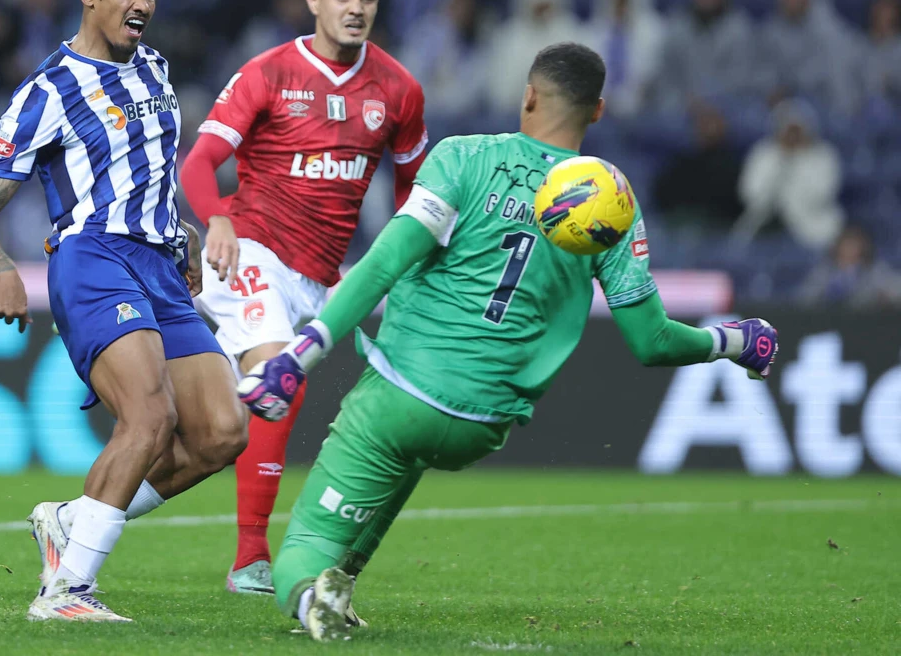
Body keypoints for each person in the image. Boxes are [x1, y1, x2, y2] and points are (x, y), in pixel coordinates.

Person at [236, 43, 779, 641]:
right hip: (483, 421)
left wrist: (301, 351)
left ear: (527, 95)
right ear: (597, 111)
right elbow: (651, 342)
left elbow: (386, 261)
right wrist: (731, 340)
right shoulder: (612, 204)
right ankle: (347, 579)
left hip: (400, 395)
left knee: (307, 542)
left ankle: (315, 589)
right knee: (407, 459)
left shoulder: (464, 158)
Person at [0, 0, 247, 623]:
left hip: (159, 268)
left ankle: (70, 521)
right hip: (93, 262)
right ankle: (65, 592)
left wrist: (180, 236)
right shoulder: (49, 89)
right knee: (148, 418)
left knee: (219, 431)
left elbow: (147, 175)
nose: (141, 4)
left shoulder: (156, 70)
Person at [178, 0, 429, 595]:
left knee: (222, 429)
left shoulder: (399, 92)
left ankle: (87, 518)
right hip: (251, 245)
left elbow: (411, 196)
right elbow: (198, 165)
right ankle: (250, 560)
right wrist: (219, 221)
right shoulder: (268, 72)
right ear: (314, 0)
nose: (355, 9)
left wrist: (396, 268)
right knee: (276, 377)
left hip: (318, 277)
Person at [733, 98, 843, 250]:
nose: (792, 136)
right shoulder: (764, 153)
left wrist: (797, 161)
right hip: (764, 226)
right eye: (787, 130)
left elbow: (822, 194)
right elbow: (749, 193)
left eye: (796, 130)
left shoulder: (823, 155)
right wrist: (781, 161)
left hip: (812, 225)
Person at [798, 224, 901, 308]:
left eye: (854, 244)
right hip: (829, 319)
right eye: (846, 244)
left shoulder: (873, 269)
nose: (849, 249)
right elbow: (805, 297)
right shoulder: (826, 270)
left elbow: (895, 289)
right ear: (838, 246)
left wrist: (884, 296)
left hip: (864, 322)